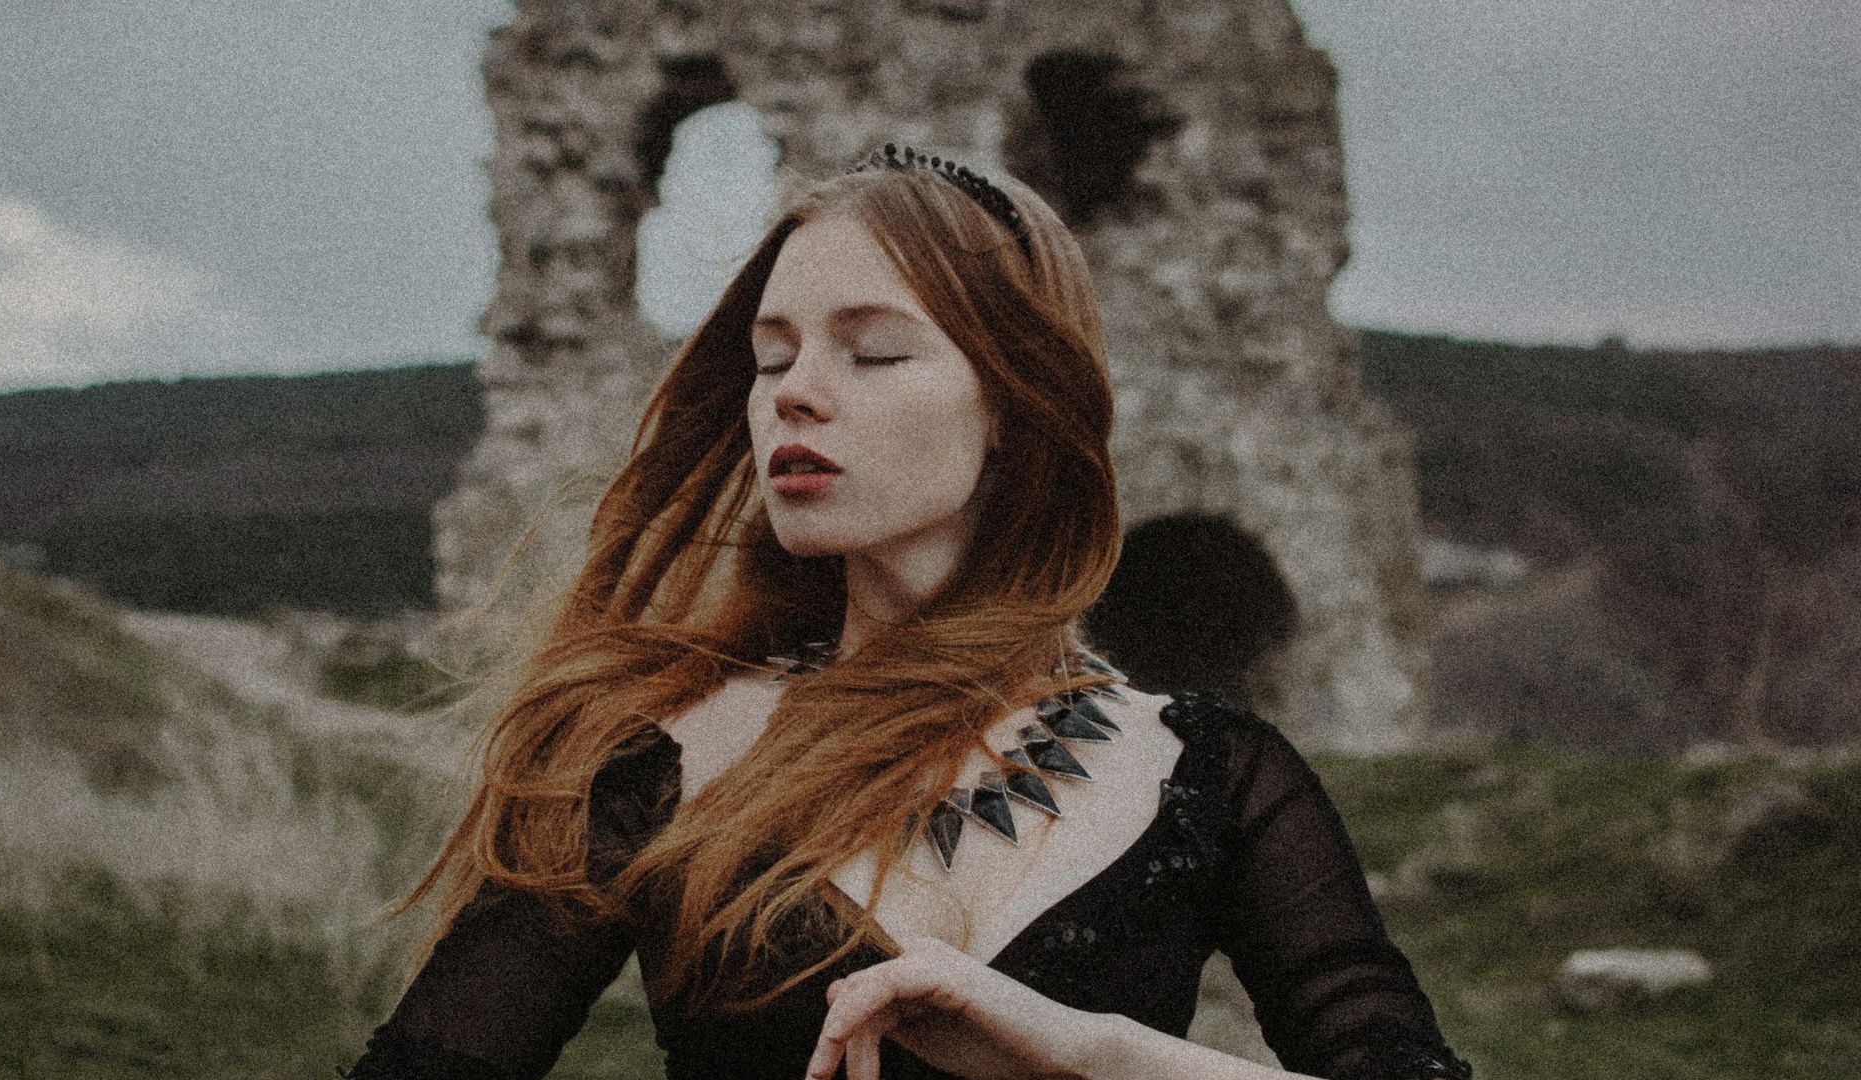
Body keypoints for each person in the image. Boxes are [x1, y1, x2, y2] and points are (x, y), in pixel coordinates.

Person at [341, 144, 1471, 1080]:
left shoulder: (1213, 775)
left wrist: (1097, 1056)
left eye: (873, 350)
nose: (793, 391)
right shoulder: (657, 761)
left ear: (1016, 410)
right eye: (769, 355)